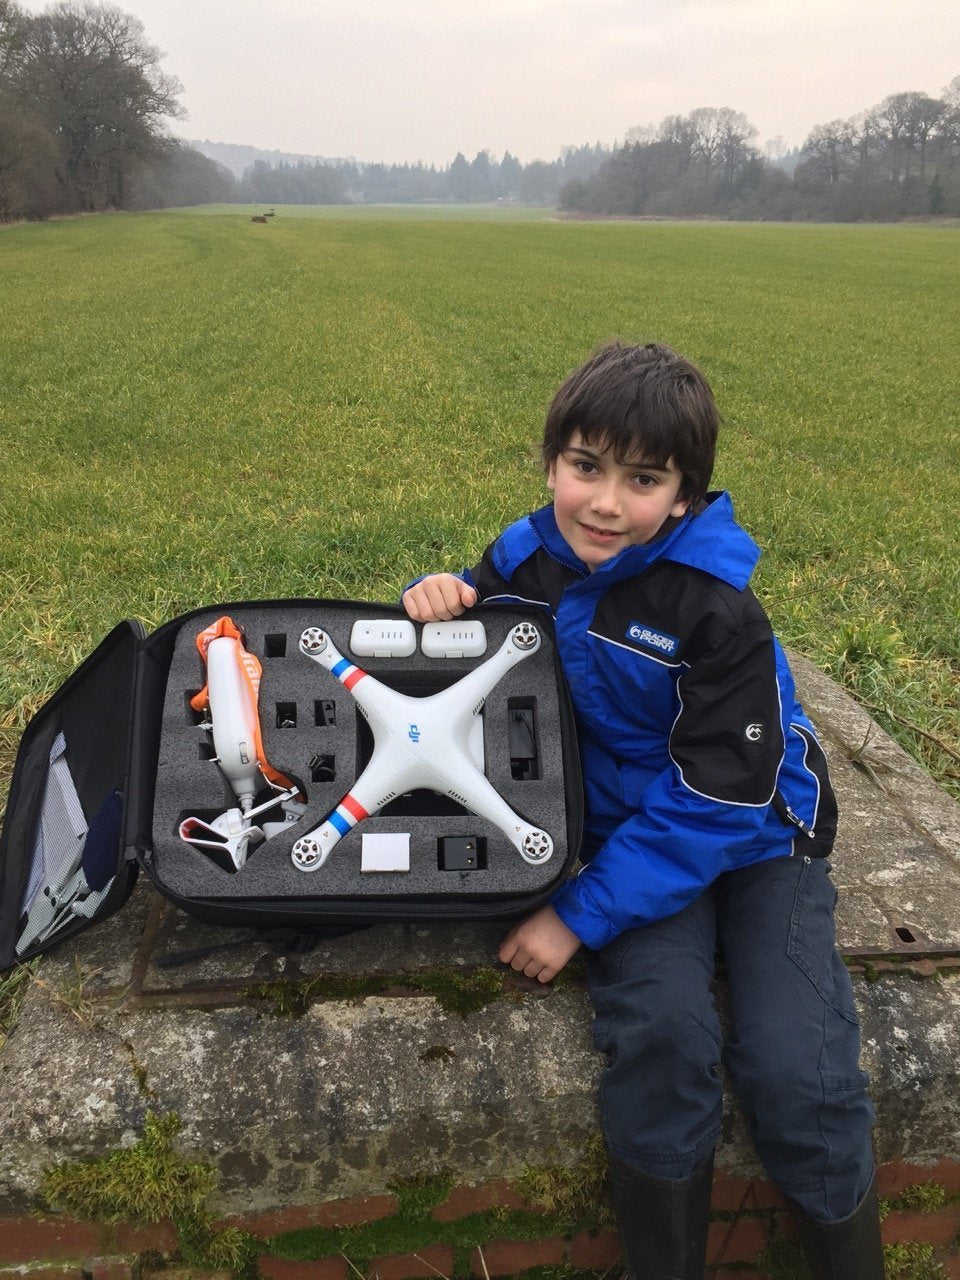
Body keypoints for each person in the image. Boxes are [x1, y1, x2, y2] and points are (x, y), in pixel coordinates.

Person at [402, 342, 883, 1280]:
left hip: (752, 840)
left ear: (686, 499)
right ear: (551, 465)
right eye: (585, 467)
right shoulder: (521, 560)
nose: (606, 503)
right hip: (629, 839)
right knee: (662, 1038)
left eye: (644, 479)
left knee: (798, 1073)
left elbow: (716, 800)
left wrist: (575, 914)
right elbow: (458, 679)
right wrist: (441, 602)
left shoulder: (717, 612)